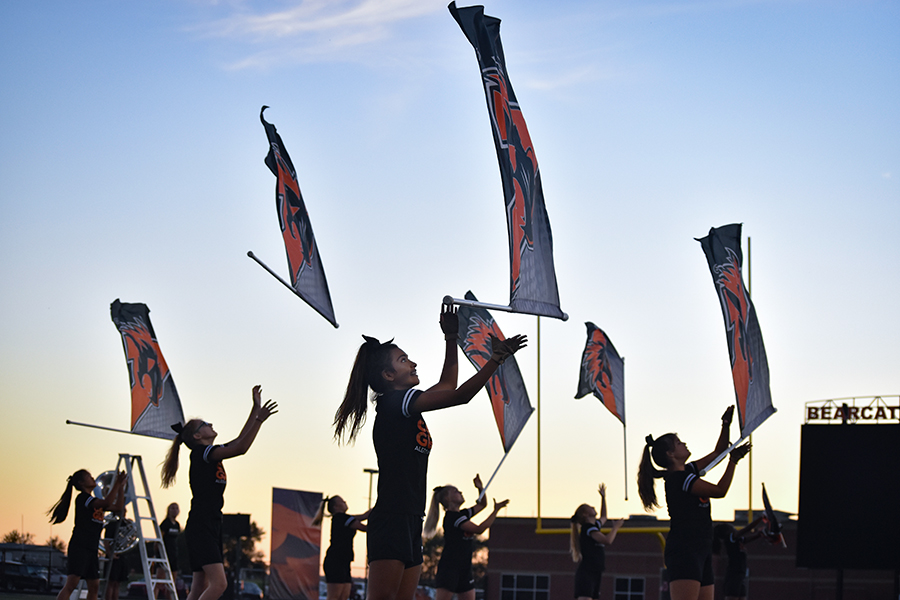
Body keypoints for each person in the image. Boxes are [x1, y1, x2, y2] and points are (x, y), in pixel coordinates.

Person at [332, 305, 526, 600]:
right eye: (403, 360)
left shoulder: (406, 404)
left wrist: (452, 337)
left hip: (411, 519)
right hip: (391, 521)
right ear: (388, 375)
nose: (412, 363)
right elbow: (460, 395)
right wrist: (495, 359)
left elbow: (448, 385)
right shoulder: (396, 402)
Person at [160, 385, 278, 600]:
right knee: (219, 584)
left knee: (198, 587)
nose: (211, 424)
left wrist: (255, 409)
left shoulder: (209, 453)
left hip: (209, 524)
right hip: (202, 524)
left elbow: (239, 441)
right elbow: (241, 447)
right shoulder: (202, 453)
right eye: (205, 424)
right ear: (197, 436)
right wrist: (259, 420)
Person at [636, 406, 751, 600]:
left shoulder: (687, 471)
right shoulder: (679, 479)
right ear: (670, 454)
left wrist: (725, 424)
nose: (684, 444)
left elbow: (719, 452)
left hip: (701, 548)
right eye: (679, 443)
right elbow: (719, 491)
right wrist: (733, 462)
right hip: (685, 551)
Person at [423, 475, 509, 600]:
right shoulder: (453, 518)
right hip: (449, 570)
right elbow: (479, 529)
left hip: (464, 569)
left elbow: (482, 504)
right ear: (448, 498)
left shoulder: (462, 514)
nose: (460, 492)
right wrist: (495, 511)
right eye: (456, 491)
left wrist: (480, 488)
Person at [47, 469, 128, 600]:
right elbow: (107, 503)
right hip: (80, 547)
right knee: (72, 584)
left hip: (92, 548)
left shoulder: (94, 501)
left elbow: (118, 507)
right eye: (89, 477)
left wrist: (121, 487)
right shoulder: (83, 499)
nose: (93, 478)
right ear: (81, 483)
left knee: (94, 585)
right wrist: (116, 484)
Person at [569, 483, 624, 600]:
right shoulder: (589, 529)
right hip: (587, 574)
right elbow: (607, 540)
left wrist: (603, 498)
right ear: (585, 514)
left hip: (595, 572)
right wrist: (616, 528)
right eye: (590, 507)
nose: (593, 507)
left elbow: (604, 517)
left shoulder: (594, 526)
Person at [314, 495, 370, 600]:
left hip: (344, 561)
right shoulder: (340, 518)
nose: (345, 502)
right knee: (334, 596)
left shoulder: (345, 518)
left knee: (344, 596)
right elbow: (363, 527)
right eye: (342, 501)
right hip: (335, 561)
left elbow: (363, 516)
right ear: (336, 507)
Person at [712, 518, 764, 600]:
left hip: (740, 574)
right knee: (732, 597)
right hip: (734, 575)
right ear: (728, 532)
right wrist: (760, 518)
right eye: (732, 528)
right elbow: (747, 529)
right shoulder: (731, 538)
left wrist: (760, 534)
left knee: (742, 597)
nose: (735, 529)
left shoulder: (736, 540)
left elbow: (748, 539)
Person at [157, 503, 182, 599]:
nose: (175, 510)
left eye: (176, 508)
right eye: (173, 508)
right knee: (160, 581)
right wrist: (158, 554)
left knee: (172, 583)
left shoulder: (177, 525)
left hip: (174, 555)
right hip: (164, 555)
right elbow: (159, 539)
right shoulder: (165, 524)